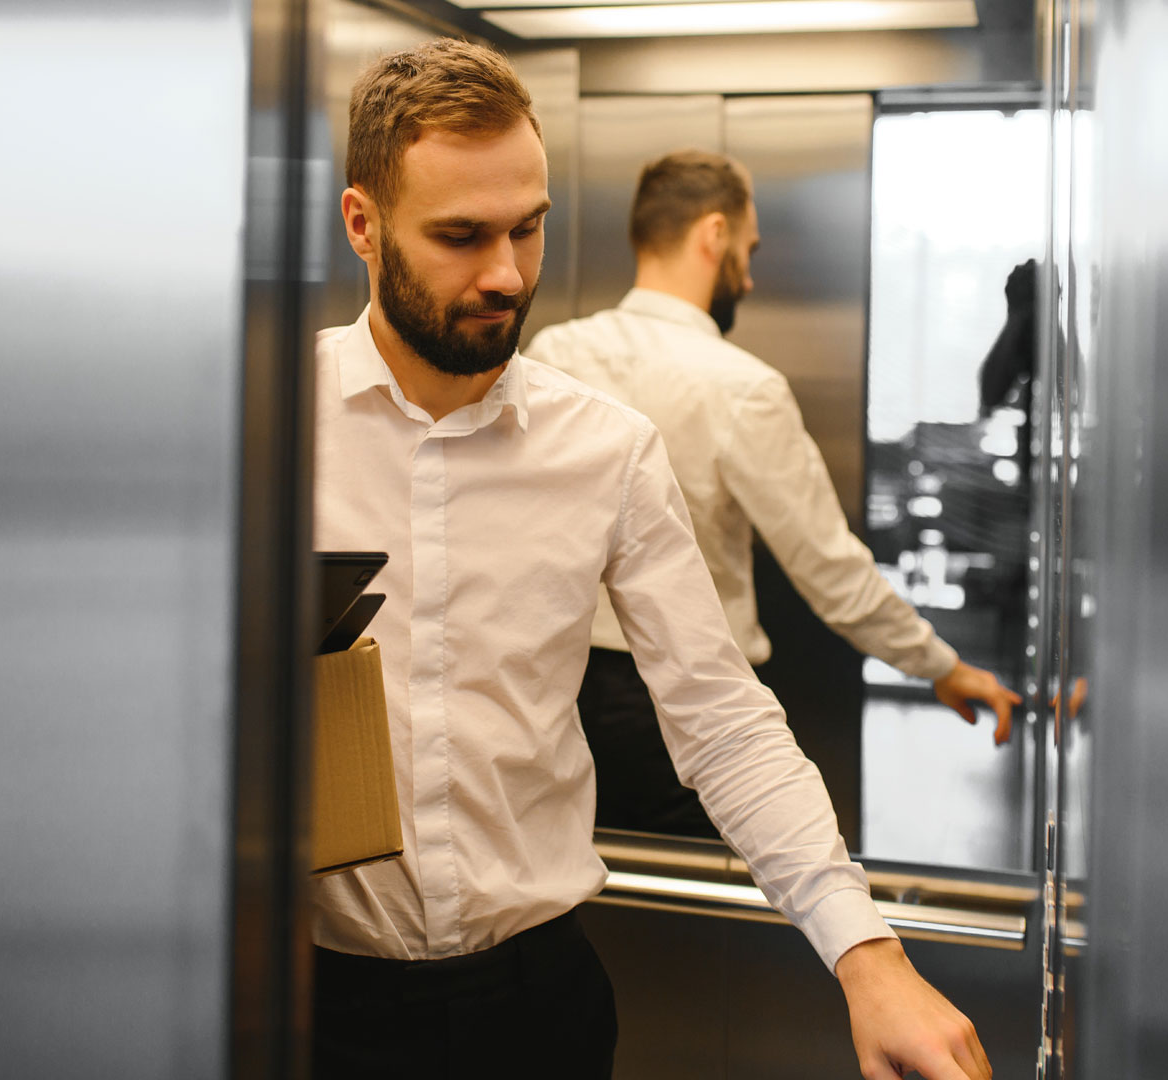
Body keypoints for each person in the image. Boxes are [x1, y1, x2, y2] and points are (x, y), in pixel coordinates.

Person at [311, 39, 992, 1080]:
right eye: (459, 236)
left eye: (529, 229)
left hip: (536, 1010)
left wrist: (868, 957)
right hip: (315, 1003)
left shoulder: (605, 447)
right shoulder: (272, 426)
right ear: (363, 224)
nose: (505, 275)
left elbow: (722, 722)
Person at [526, 150, 1023, 838]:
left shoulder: (552, 353)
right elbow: (831, 571)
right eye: (749, 249)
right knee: (699, 924)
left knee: (601, 900)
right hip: (686, 704)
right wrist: (940, 665)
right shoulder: (743, 387)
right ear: (714, 234)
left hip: (557, 695)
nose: (751, 276)